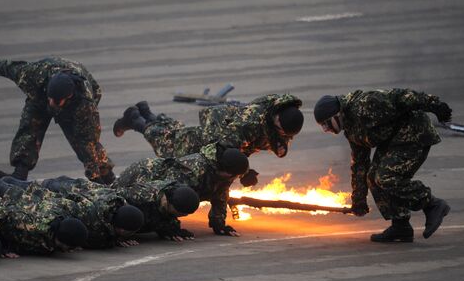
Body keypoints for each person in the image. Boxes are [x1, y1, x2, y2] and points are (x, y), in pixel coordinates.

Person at [313, 89, 452, 242]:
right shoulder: (351, 130)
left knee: (386, 177)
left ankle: (432, 204)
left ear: (337, 114)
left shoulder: (366, 104)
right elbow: (360, 165)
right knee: (372, 178)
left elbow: (402, 97)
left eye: (326, 124)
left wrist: (435, 105)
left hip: (415, 133)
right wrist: (359, 201)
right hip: (394, 141)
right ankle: (401, 226)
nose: (326, 130)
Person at [0, 56, 114, 184]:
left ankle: (107, 176)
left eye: (56, 101)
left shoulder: (84, 105)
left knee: (82, 141)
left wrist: (94, 178)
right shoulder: (32, 74)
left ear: (68, 97)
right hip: (40, 94)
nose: (52, 103)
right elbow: (5, 67)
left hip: (74, 107)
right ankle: (20, 172)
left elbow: (88, 141)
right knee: (29, 127)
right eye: (51, 99)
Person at [113, 94, 303, 185]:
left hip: (225, 129)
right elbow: (224, 151)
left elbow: (274, 143)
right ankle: (135, 120)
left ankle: (146, 112)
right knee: (168, 146)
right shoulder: (250, 123)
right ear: (276, 118)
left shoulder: (279, 116)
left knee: (178, 134)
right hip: (215, 134)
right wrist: (244, 172)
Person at [117, 143, 249, 236]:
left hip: (158, 185)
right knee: (130, 215)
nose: (234, 179)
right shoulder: (194, 170)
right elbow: (169, 196)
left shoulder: (225, 173)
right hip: (143, 176)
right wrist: (169, 227)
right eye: (234, 176)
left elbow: (220, 195)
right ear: (224, 170)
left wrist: (218, 224)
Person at [1, 176, 144, 248]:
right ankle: (3, 183)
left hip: (81, 190)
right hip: (65, 191)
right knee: (35, 190)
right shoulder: (92, 216)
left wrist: (117, 239)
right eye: (129, 232)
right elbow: (93, 237)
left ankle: (9, 182)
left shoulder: (120, 206)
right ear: (121, 228)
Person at [43, 177, 199, 241]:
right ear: (170, 204)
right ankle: (47, 184)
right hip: (101, 195)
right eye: (181, 213)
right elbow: (115, 215)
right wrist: (119, 236)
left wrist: (171, 229)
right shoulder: (140, 199)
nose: (183, 216)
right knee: (68, 189)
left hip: (105, 196)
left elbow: (162, 217)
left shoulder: (173, 196)